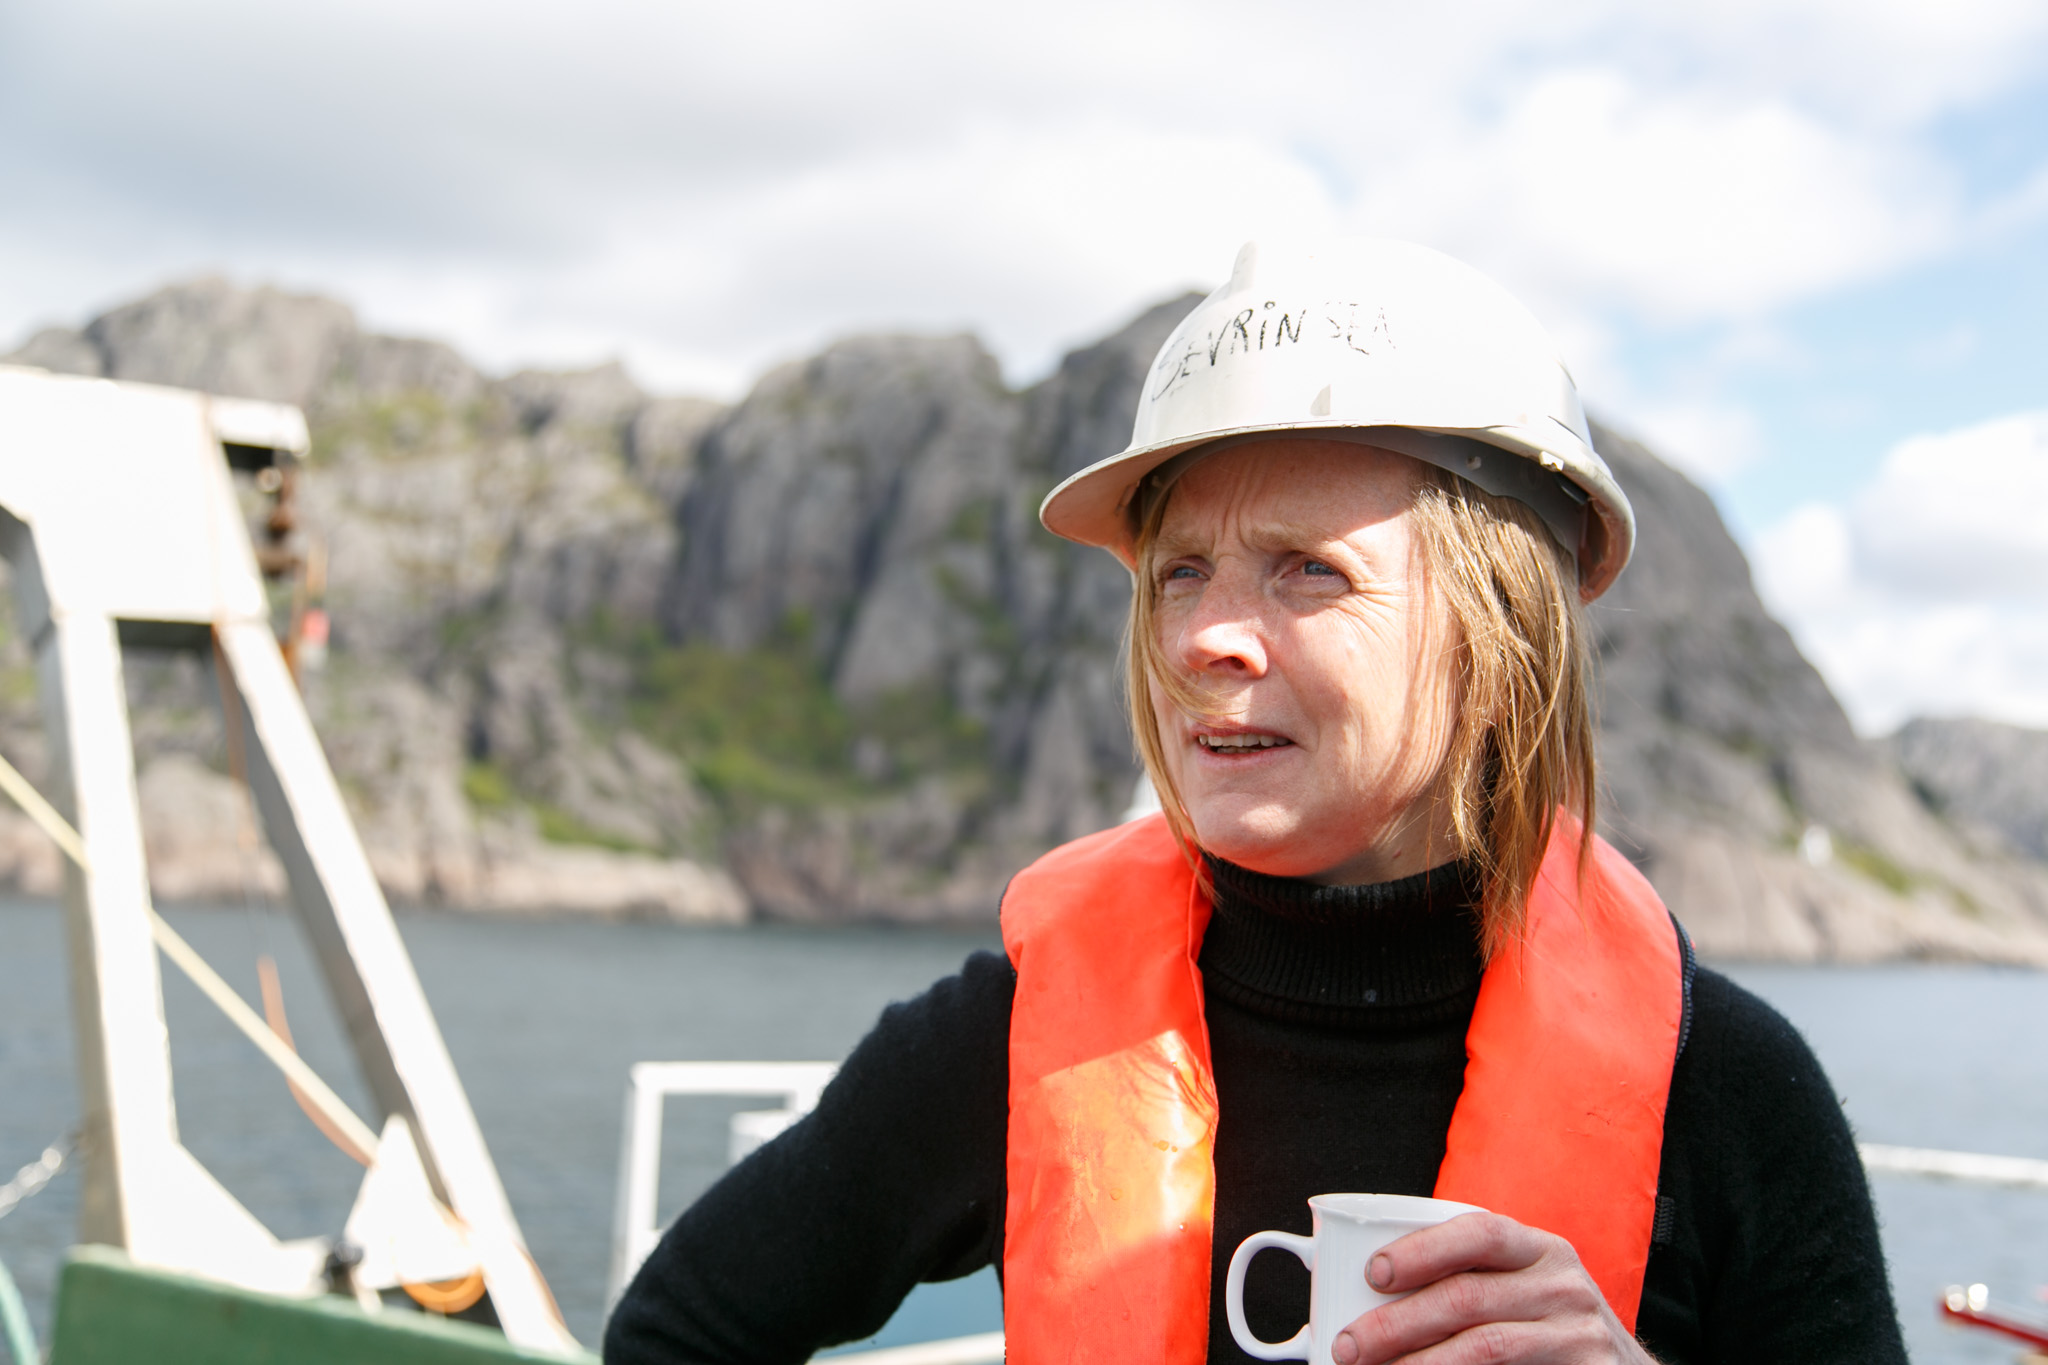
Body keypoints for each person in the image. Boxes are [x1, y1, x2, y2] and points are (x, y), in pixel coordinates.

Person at [604, 240, 1906, 1364]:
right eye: (1180, 572)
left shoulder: (1729, 1091)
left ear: (1505, 642)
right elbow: (679, 1331)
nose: (1205, 637)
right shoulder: (1013, 1033)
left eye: (1307, 571)